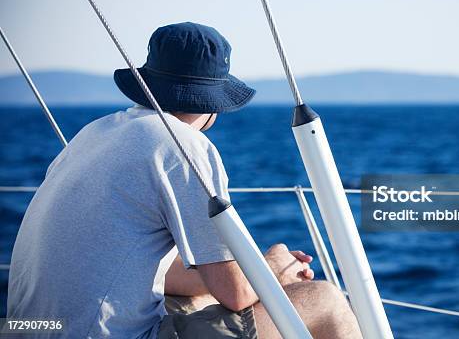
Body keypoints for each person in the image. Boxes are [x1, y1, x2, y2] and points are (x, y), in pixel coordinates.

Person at [7, 22, 361, 339]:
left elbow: (167, 275)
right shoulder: (183, 145)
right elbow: (235, 294)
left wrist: (255, 275)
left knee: (195, 298)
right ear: (213, 101)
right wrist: (275, 266)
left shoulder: (96, 133)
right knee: (324, 300)